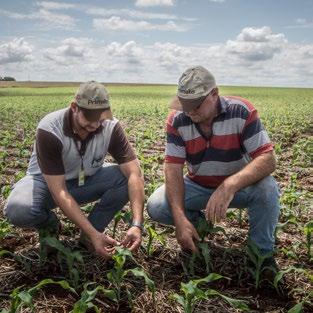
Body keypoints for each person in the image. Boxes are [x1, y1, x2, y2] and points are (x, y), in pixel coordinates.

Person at [147, 66, 280, 258]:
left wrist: (229, 185)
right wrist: (180, 219)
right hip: (198, 185)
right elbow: (173, 169)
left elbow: (268, 159)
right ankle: (199, 227)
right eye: (185, 104)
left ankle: (261, 255)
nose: (190, 111)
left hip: (240, 187)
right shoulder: (177, 119)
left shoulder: (241, 111)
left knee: (267, 188)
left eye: (196, 104)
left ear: (215, 93)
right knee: (157, 205)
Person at [4, 81, 145, 259]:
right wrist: (95, 234)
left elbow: (135, 174)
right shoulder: (50, 129)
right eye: (89, 118)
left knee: (126, 178)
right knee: (19, 209)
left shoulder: (111, 127)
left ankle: (90, 235)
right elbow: (59, 191)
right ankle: (50, 226)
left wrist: (136, 224)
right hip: (46, 184)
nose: (94, 125)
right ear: (74, 107)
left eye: (100, 118)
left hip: (85, 180)